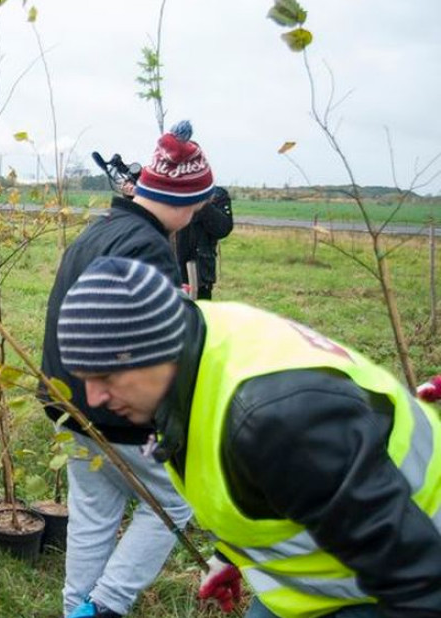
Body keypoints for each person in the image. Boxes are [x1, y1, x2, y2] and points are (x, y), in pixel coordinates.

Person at [56, 256, 441, 618]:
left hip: (399, 572)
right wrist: (234, 553)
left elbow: (417, 579)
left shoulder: (278, 424)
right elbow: (285, 485)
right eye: (86, 379)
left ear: (156, 349)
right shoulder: (192, 341)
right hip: (333, 566)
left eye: (106, 378)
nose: (95, 400)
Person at [41, 120, 215, 617]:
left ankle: (78, 607)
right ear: (184, 201)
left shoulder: (101, 229)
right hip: (114, 413)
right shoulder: (147, 246)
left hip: (67, 400)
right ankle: (108, 603)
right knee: (175, 503)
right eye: (199, 204)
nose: (199, 213)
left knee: (95, 512)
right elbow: (149, 352)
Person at [175, 186, 233, 299]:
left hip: (197, 274)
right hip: (166, 269)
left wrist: (201, 202)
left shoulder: (216, 194)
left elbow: (223, 228)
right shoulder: (162, 190)